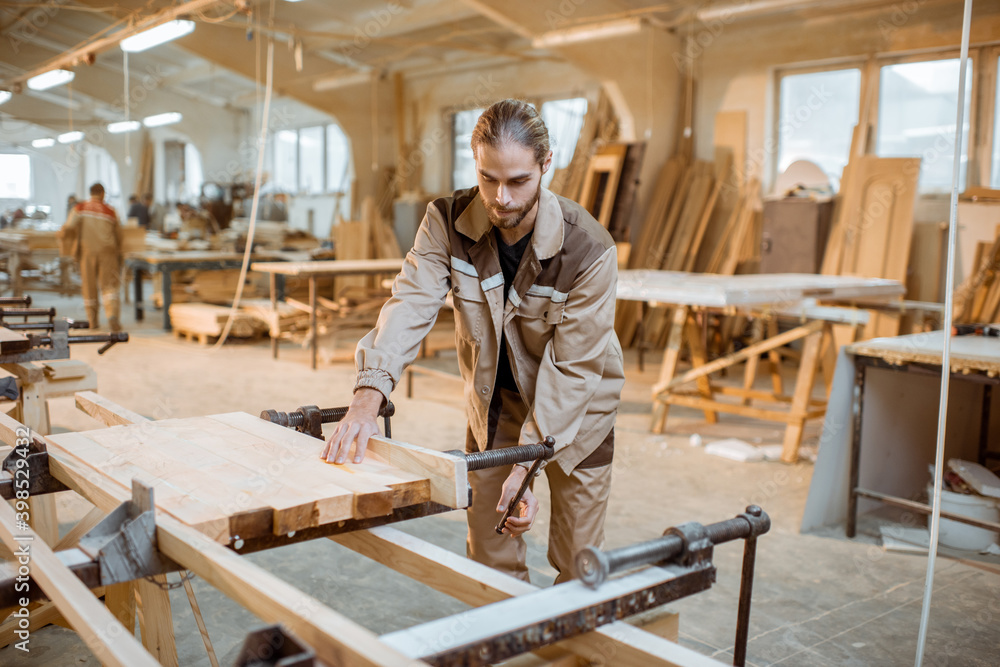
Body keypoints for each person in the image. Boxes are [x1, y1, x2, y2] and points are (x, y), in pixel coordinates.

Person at [322, 99, 624, 584]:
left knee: (579, 564)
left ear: (546, 166)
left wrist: (525, 467)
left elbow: (573, 369)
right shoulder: (446, 221)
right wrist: (368, 394)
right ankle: (509, 648)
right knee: (490, 553)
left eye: (518, 181)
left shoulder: (588, 248)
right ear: (474, 162)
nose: (501, 197)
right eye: (489, 179)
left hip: (579, 413)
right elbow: (411, 301)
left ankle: (572, 657)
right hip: (496, 405)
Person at [60, 182, 123, 332]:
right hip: (107, 252)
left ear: (90, 193)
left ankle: (93, 321)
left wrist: (66, 243)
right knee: (109, 286)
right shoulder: (110, 211)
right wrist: (119, 251)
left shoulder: (80, 208)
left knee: (89, 286)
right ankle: (112, 316)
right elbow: (119, 234)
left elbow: (68, 227)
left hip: (87, 252)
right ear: (102, 194)